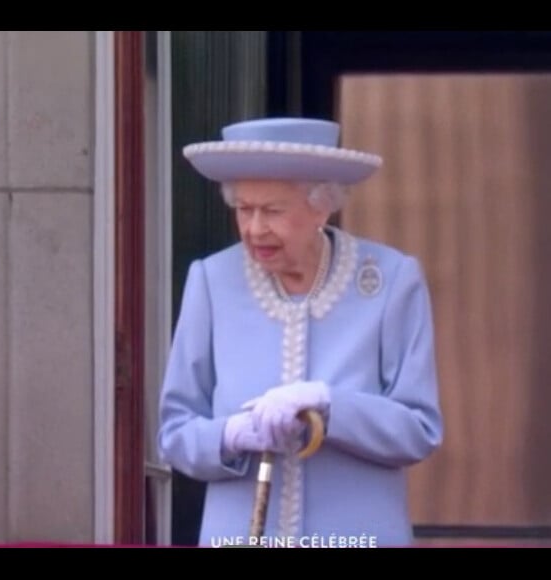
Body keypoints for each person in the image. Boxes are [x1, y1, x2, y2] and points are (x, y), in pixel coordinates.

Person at [157, 117, 443, 547]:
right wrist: (231, 435)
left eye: (272, 211)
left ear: (321, 207)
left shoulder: (390, 281)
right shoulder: (212, 281)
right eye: (243, 209)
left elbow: (418, 430)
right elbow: (175, 434)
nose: (254, 229)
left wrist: (329, 405)